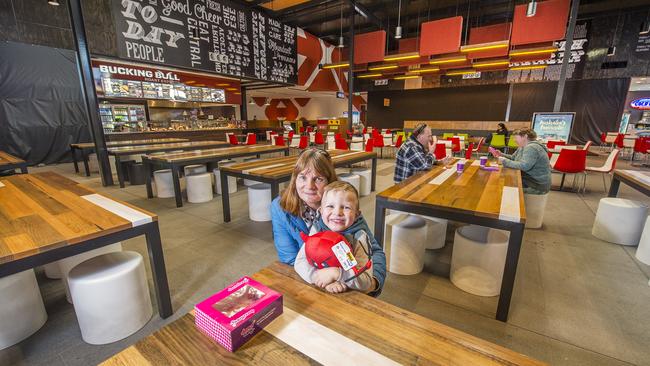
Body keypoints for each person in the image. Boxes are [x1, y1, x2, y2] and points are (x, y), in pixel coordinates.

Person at [270, 148, 387, 295]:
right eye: (302, 177)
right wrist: (325, 280)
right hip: (310, 280)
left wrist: (373, 282)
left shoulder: (344, 208)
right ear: (295, 179)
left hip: (348, 284)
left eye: (318, 179)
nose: (309, 186)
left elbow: (373, 251)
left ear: (329, 181)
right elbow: (290, 258)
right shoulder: (280, 207)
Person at [294, 181, 375, 294]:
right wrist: (320, 278)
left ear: (357, 214)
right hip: (318, 289)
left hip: (351, 297)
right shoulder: (317, 230)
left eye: (346, 207)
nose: (337, 212)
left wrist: (336, 274)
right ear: (321, 211)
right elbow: (300, 262)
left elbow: (365, 281)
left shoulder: (359, 238)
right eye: (330, 206)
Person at [489, 128, 551, 195]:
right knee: (504, 182)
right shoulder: (522, 146)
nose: (514, 140)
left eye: (516, 137)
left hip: (536, 185)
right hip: (529, 180)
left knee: (504, 188)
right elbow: (513, 158)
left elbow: (524, 166)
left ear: (525, 136)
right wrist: (501, 154)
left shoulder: (532, 147)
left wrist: (504, 161)